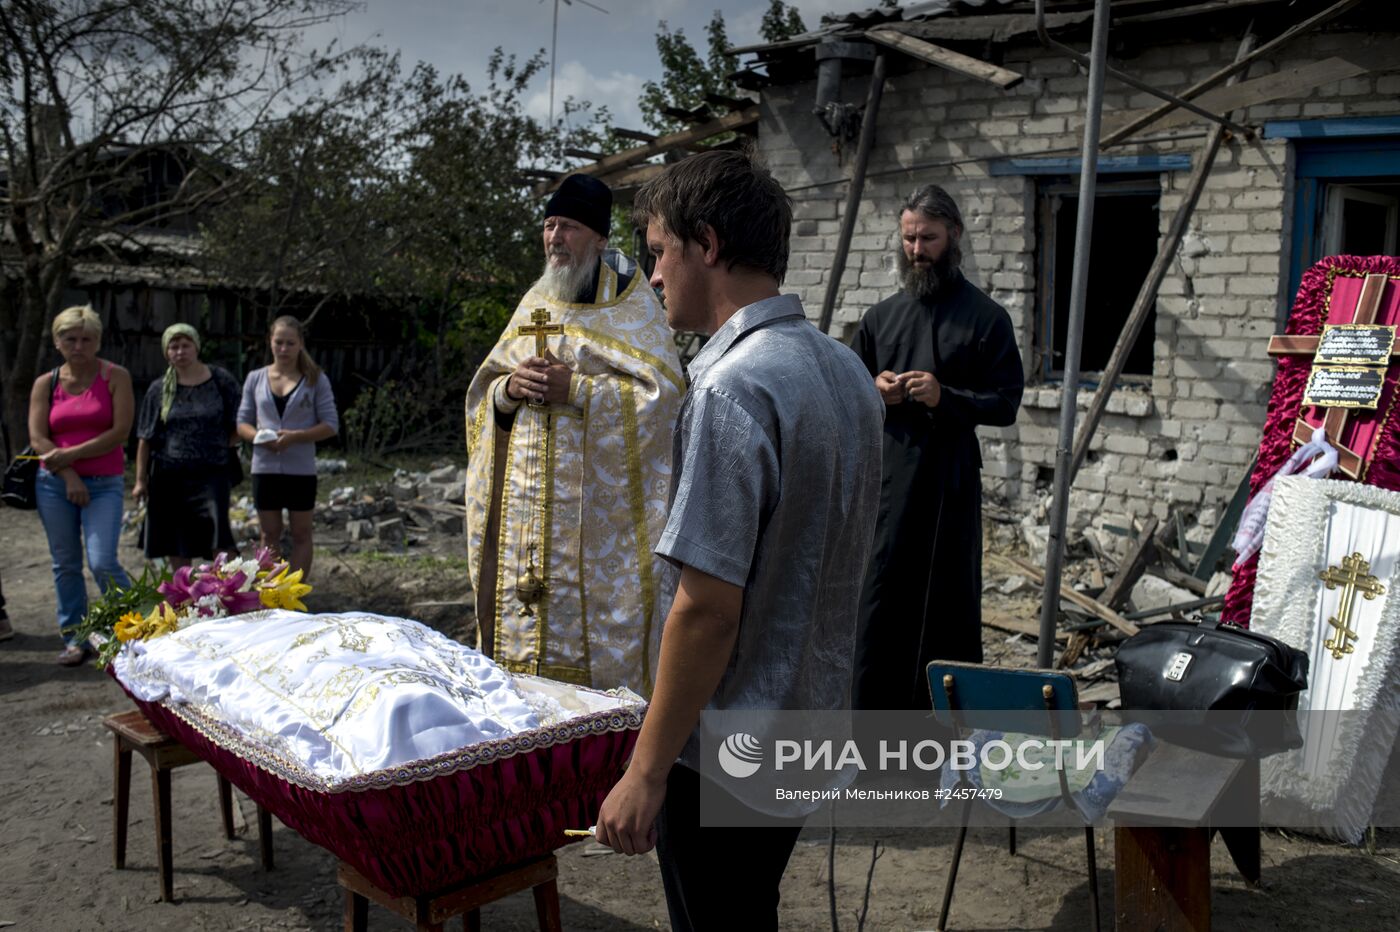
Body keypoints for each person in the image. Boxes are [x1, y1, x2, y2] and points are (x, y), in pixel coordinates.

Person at [593, 151, 883, 930]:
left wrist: (647, 773)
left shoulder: (732, 386)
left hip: (730, 744)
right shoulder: (847, 371)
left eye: (658, 252)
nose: (652, 276)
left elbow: (707, 608)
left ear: (707, 245)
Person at [464, 173, 683, 695]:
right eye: (548, 225)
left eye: (567, 227)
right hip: (525, 524)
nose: (554, 237)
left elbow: (666, 398)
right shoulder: (534, 302)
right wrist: (509, 390)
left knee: (592, 688)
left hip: (594, 524)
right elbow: (484, 394)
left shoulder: (632, 307)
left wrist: (579, 390)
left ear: (600, 238)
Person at [851, 184, 1024, 711]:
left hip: (950, 485)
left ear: (954, 237)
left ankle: (942, 732)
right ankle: (868, 726)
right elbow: (847, 392)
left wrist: (946, 397)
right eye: (909, 238)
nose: (917, 250)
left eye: (928, 237)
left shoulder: (987, 318)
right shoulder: (880, 319)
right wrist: (874, 391)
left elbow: (1005, 403)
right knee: (879, 600)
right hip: (889, 485)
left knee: (946, 602)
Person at [28, 305, 134, 666]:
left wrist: (70, 454)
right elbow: (38, 436)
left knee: (103, 560)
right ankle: (76, 637)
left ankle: (136, 625)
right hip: (55, 484)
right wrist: (69, 473)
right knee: (66, 563)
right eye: (70, 338)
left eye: (86, 339)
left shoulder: (115, 377)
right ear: (58, 342)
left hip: (105, 482)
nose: (78, 345)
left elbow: (120, 432)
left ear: (98, 341)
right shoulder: (47, 383)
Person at [236, 316, 338, 579]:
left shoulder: (315, 379)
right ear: (270, 342)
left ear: (300, 344)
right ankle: (272, 594)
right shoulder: (255, 379)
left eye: (290, 343)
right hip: (265, 467)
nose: (283, 349)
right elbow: (242, 423)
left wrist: (297, 436)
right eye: (278, 342)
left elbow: (330, 424)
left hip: (300, 469)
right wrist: (259, 436)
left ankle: (297, 592)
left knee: (301, 532)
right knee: (269, 533)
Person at [133, 323, 242, 567]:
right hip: (169, 474)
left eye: (185, 345)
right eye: (174, 347)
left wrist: (226, 443)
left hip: (212, 471)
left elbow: (242, 419)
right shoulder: (159, 389)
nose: (180, 351)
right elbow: (145, 437)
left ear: (196, 347)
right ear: (166, 352)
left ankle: (228, 595)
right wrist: (140, 480)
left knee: (219, 537)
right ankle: (184, 598)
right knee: (176, 540)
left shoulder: (220, 380)